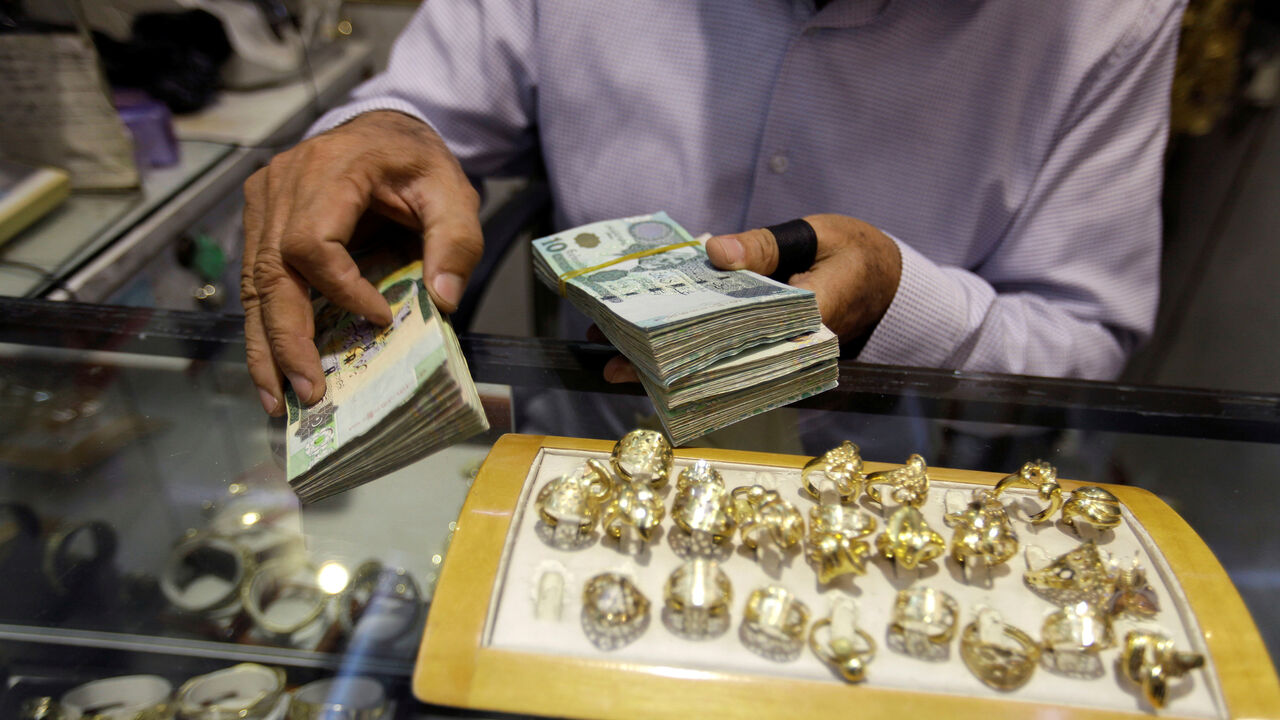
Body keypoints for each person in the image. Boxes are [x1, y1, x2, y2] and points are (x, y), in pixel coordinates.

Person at [242, 1, 1185, 417]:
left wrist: (903, 309)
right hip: (597, 445)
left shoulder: (1112, 17)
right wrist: (371, 132)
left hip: (896, 495)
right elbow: (421, 112)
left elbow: (1084, 336)